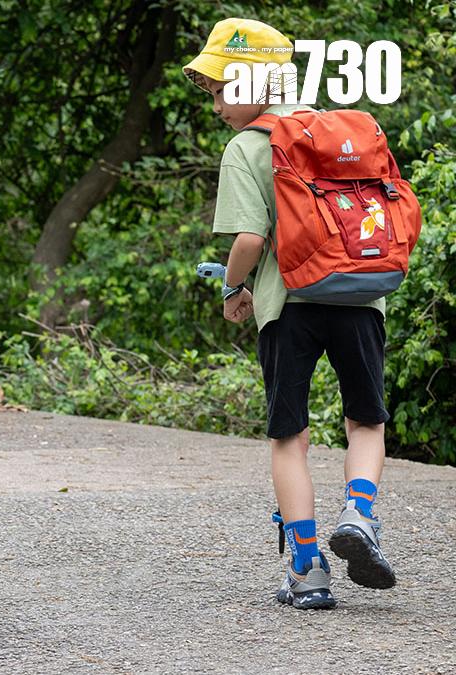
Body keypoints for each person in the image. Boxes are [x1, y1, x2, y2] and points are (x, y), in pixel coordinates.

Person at [184, 18, 395, 609]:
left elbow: (250, 239)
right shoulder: (342, 130)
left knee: (290, 437)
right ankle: (358, 511)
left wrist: (232, 289)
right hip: (360, 296)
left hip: (289, 304)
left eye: (224, 87)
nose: (218, 103)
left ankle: (307, 568)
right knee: (366, 421)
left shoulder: (248, 146)